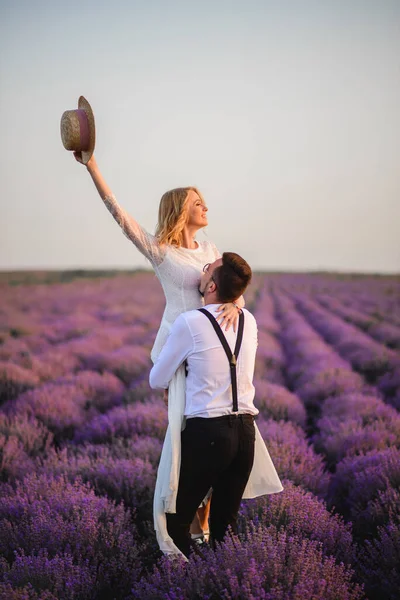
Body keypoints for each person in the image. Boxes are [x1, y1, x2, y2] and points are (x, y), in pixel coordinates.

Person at [72, 152, 283, 557]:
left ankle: (202, 525)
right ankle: (190, 526)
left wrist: (237, 306)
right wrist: (93, 165)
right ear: (180, 211)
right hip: (182, 356)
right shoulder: (163, 252)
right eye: (197, 202)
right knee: (186, 440)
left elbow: (230, 285)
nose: (205, 206)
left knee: (216, 426)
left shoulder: (210, 249)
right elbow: (119, 214)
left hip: (215, 351)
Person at [150, 253, 283, 558]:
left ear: (210, 285)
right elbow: (236, 298)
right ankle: (222, 581)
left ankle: (186, 584)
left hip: (208, 433)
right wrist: (236, 301)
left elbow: (157, 379)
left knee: (176, 522)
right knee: (226, 527)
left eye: (208, 268)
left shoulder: (190, 322)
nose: (203, 267)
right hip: (245, 433)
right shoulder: (248, 320)